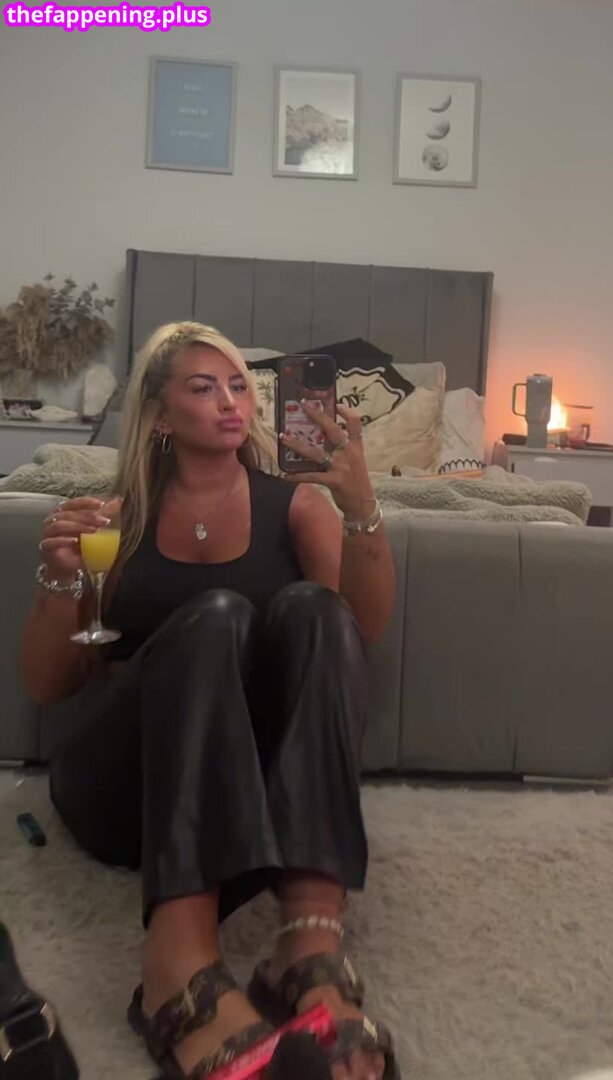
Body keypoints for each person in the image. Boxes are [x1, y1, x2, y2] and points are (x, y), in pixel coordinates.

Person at [19, 322, 399, 1080]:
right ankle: (178, 964)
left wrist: (359, 507)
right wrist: (61, 577)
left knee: (318, 611)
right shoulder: (114, 517)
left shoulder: (296, 506)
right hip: (125, 788)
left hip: (250, 807)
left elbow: (354, 638)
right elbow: (49, 685)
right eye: (203, 387)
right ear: (159, 413)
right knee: (217, 614)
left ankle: (308, 943)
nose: (230, 402)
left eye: (238, 387)